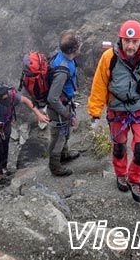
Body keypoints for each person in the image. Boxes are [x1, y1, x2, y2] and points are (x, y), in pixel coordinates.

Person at [88, 20, 140, 202]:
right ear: (121, 40)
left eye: (135, 41)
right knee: (119, 148)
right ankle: (120, 174)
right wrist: (95, 115)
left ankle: (134, 179)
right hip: (117, 110)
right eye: (127, 41)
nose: (130, 46)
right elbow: (99, 86)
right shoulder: (109, 58)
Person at [0, 83, 50, 184]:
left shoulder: (11, 95)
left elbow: (26, 100)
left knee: (5, 146)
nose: (6, 103)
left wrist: (38, 114)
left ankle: (4, 167)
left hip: (6, 125)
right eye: (3, 101)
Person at [46, 30, 83, 176]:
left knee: (64, 133)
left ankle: (64, 154)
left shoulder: (65, 58)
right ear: (74, 50)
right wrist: (65, 112)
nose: (81, 46)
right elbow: (52, 98)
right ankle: (55, 166)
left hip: (65, 102)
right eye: (79, 44)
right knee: (58, 137)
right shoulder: (63, 69)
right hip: (58, 108)